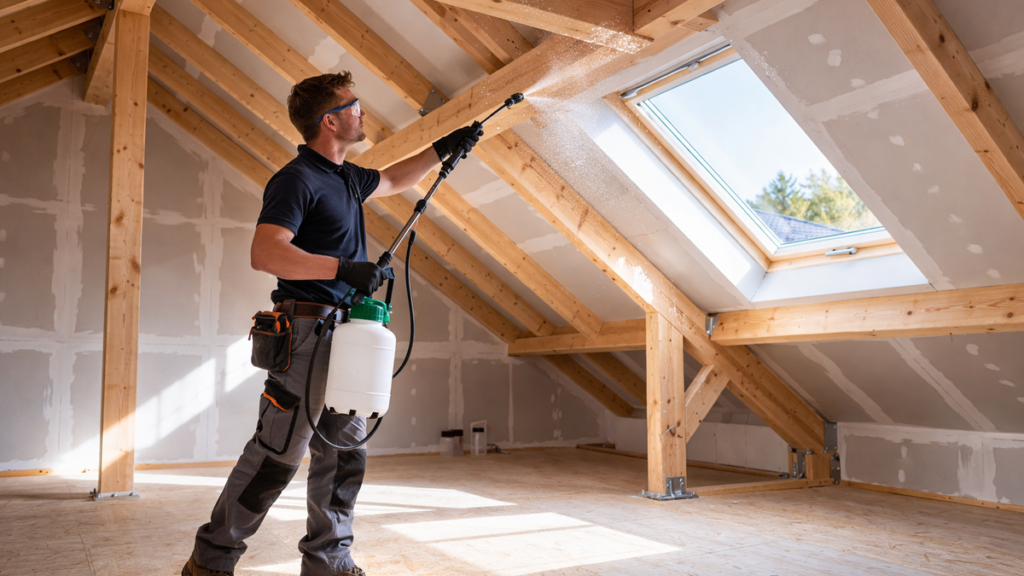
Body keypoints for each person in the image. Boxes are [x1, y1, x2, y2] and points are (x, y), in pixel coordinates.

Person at [182, 72, 482, 576]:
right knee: (277, 455)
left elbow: (393, 179)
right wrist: (343, 268)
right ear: (329, 120)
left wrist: (444, 147)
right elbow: (265, 252)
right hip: (305, 334)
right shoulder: (297, 179)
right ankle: (210, 562)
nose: (362, 112)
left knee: (344, 453)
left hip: (349, 335)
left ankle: (329, 562)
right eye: (354, 105)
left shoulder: (347, 176)